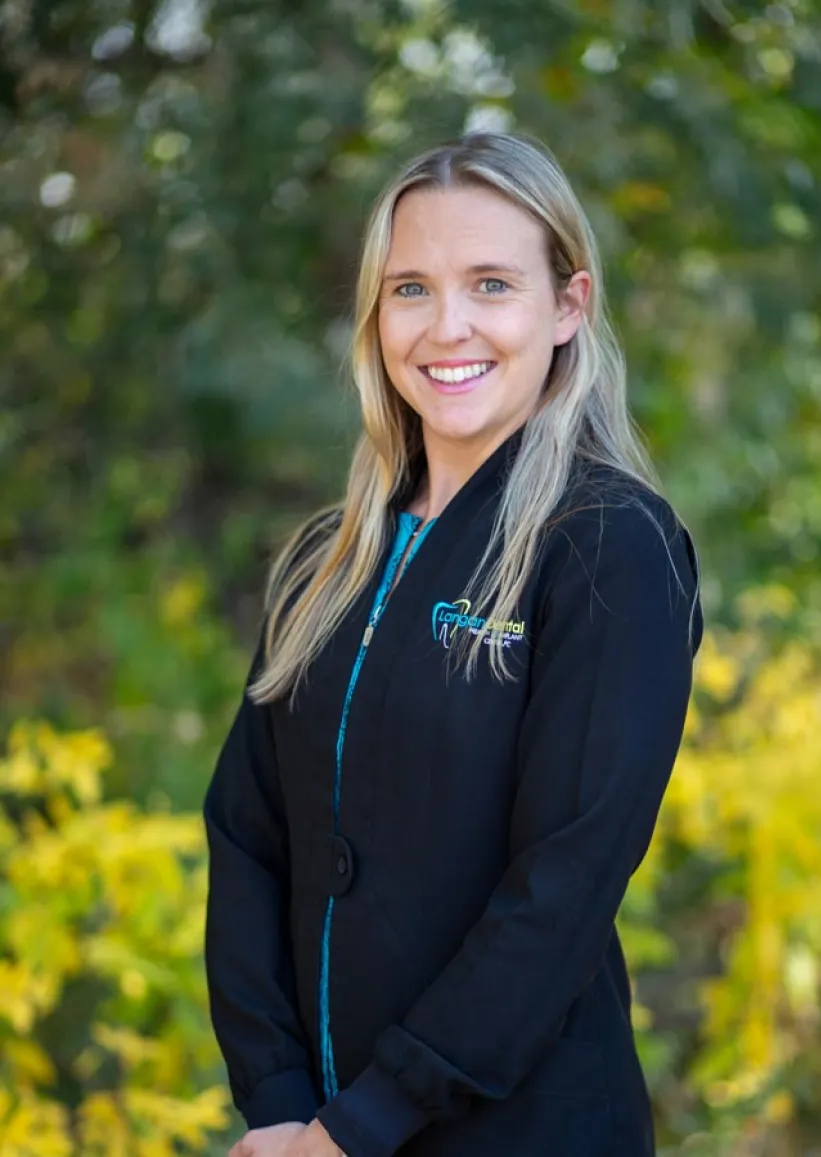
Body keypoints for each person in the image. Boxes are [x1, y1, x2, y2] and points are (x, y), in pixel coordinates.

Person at [203, 130, 703, 1157]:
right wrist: (278, 1100)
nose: (448, 326)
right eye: (411, 289)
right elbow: (248, 833)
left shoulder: (609, 547)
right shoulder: (325, 558)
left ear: (568, 305)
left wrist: (362, 1123)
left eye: (490, 283)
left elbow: (561, 887)